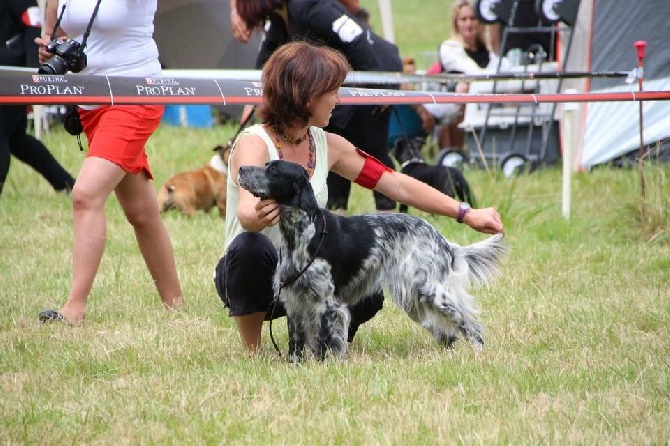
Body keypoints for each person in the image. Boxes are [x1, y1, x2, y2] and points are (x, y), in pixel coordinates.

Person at [213, 41, 504, 354]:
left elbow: (395, 185)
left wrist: (465, 212)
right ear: (305, 93)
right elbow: (245, 212)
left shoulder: (325, 145)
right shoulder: (255, 143)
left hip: (308, 275)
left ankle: (323, 341)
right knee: (250, 246)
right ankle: (251, 350)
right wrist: (255, 216)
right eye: (332, 90)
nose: (339, 99)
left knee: (365, 277)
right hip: (256, 276)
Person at [36, 0, 184, 325]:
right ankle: (177, 307)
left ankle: (73, 309)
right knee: (141, 212)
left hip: (135, 94)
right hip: (89, 101)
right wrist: (49, 45)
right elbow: (58, 30)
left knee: (85, 195)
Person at [232, 0, 402, 215]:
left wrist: (380, 87)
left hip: (375, 72)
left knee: (373, 148)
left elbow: (356, 37)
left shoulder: (311, 6)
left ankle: (389, 219)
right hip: (335, 88)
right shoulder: (278, 21)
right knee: (332, 152)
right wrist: (251, 104)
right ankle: (335, 218)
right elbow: (264, 66)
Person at [0, 0, 75, 196]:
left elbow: (32, 24)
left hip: (12, 75)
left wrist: (35, 76)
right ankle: (66, 184)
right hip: (10, 73)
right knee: (17, 139)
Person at [429, 0, 497, 152]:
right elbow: (475, 73)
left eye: (473, 18)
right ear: (456, 23)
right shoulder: (450, 48)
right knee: (464, 91)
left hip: (484, 97)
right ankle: (455, 151)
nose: (469, 24)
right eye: (463, 19)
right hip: (451, 99)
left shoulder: (487, 50)